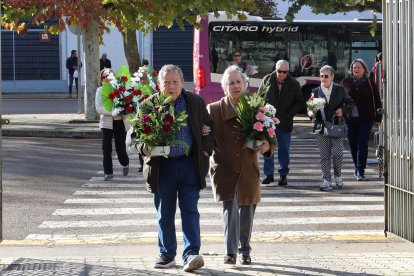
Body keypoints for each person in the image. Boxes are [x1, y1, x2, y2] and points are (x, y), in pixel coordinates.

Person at [139, 64, 213, 272]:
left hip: (189, 164)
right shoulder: (148, 105)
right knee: (165, 213)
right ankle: (167, 254)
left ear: (182, 83)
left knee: (190, 210)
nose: (171, 86)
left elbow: (210, 127)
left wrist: (206, 148)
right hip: (162, 168)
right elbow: (135, 136)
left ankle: (191, 254)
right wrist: (144, 148)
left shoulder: (195, 102)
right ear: (158, 84)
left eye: (175, 82)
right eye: (166, 82)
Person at [207, 65, 273, 265]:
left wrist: (267, 145)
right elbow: (207, 139)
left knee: (247, 210)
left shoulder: (257, 108)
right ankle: (230, 252)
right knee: (230, 208)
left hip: (247, 166)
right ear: (224, 87)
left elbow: (270, 136)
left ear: (245, 85)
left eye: (239, 82)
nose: (235, 86)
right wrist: (204, 132)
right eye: (231, 83)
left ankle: (245, 250)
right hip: (225, 167)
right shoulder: (214, 109)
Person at [309, 65, 354, 191]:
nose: (323, 78)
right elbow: (310, 107)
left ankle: (338, 176)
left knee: (338, 153)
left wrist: (343, 110)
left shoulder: (340, 89)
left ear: (332, 77)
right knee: (324, 155)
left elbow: (350, 103)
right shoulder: (315, 91)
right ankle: (326, 181)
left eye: (326, 76)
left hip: (336, 127)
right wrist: (311, 113)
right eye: (321, 76)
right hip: (321, 127)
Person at [260, 60, 304, 185]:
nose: (282, 74)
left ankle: (283, 175)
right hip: (268, 121)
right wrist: (263, 113)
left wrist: (290, 113)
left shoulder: (294, 83)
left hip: (285, 121)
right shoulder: (267, 79)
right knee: (268, 148)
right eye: (279, 71)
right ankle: (268, 175)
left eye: (285, 72)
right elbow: (259, 97)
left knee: (284, 150)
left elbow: (300, 101)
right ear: (275, 69)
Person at [341, 59, 382, 181]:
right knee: (352, 144)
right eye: (354, 68)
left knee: (362, 144)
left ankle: (360, 170)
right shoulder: (345, 82)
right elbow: (339, 98)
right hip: (350, 118)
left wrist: (378, 118)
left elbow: (377, 100)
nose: (356, 69)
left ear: (364, 69)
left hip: (366, 118)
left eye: (359, 67)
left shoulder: (370, 83)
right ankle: (356, 167)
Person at [95, 68, 130, 181]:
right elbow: (99, 108)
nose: (107, 79)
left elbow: (126, 105)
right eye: (104, 77)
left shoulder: (119, 89)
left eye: (109, 76)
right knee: (106, 148)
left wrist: (123, 110)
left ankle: (125, 163)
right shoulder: (100, 90)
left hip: (119, 121)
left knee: (120, 148)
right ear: (101, 79)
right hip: (106, 123)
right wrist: (112, 112)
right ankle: (108, 172)